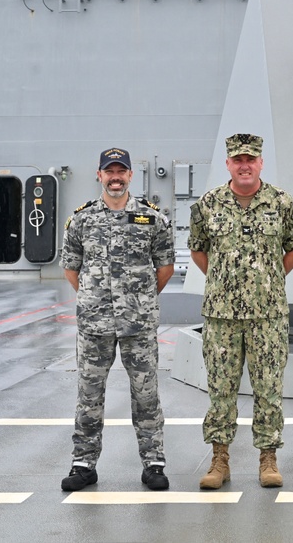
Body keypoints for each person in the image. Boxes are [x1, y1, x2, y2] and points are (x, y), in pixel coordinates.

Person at [188, 133, 293, 489]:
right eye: (238, 160)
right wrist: (223, 281)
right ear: (228, 164)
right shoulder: (207, 205)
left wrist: (267, 280)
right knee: (220, 390)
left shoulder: (283, 204)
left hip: (267, 317)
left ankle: (268, 459)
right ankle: (219, 460)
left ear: (260, 163)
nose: (244, 165)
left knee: (268, 390)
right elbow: (198, 250)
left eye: (250, 159)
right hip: (221, 317)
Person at [60, 147, 175, 492]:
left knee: (146, 395)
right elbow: (70, 267)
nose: (115, 177)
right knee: (89, 394)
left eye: (120, 171)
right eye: (109, 171)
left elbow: (165, 268)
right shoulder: (81, 220)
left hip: (138, 324)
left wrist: (139, 301)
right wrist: (95, 300)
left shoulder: (152, 219)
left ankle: (153, 463)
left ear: (130, 175)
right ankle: (84, 464)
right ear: (99, 175)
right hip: (94, 325)